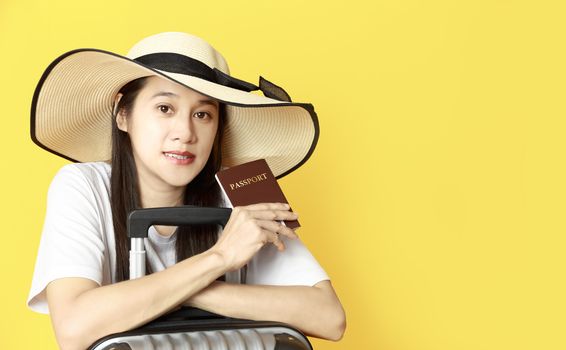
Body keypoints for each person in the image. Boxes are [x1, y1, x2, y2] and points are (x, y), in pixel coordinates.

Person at [26, 32, 346, 349]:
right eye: (165, 108)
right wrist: (219, 259)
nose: (185, 132)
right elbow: (73, 329)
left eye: (202, 114)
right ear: (122, 114)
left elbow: (329, 318)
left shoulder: (244, 189)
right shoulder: (82, 185)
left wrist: (189, 290)